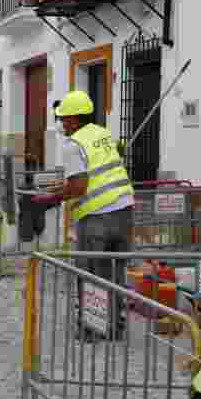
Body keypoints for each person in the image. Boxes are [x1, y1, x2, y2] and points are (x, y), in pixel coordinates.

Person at [45, 90, 135, 339]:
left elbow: (79, 187)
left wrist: (50, 198)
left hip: (97, 217)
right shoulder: (103, 134)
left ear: (74, 119)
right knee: (115, 273)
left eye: (63, 118)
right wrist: (61, 186)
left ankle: (92, 329)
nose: (61, 123)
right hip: (124, 211)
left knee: (90, 273)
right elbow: (99, 172)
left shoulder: (73, 145)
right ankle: (115, 327)